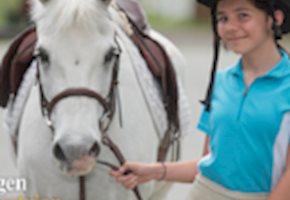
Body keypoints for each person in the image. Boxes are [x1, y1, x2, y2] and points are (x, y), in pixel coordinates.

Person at [110, 0, 290, 199]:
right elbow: (209, 163)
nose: (230, 27)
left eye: (243, 16)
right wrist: (154, 171)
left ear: (275, 18)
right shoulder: (221, 81)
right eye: (223, 18)